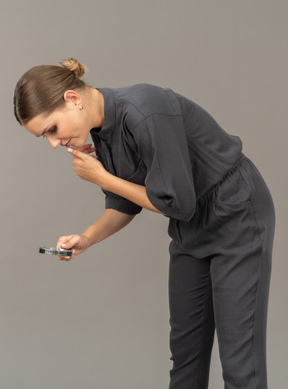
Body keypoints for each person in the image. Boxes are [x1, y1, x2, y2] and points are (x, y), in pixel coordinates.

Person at [14, 58, 276, 389]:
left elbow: (176, 203)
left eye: (52, 129)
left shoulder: (145, 110)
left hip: (237, 214)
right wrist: (87, 237)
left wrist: (103, 177)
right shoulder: (100, 131)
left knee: (240, 363)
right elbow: (127, 202)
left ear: (72, 99)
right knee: (185, 356)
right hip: (191, 227)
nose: (54, 142)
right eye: (44, 137)